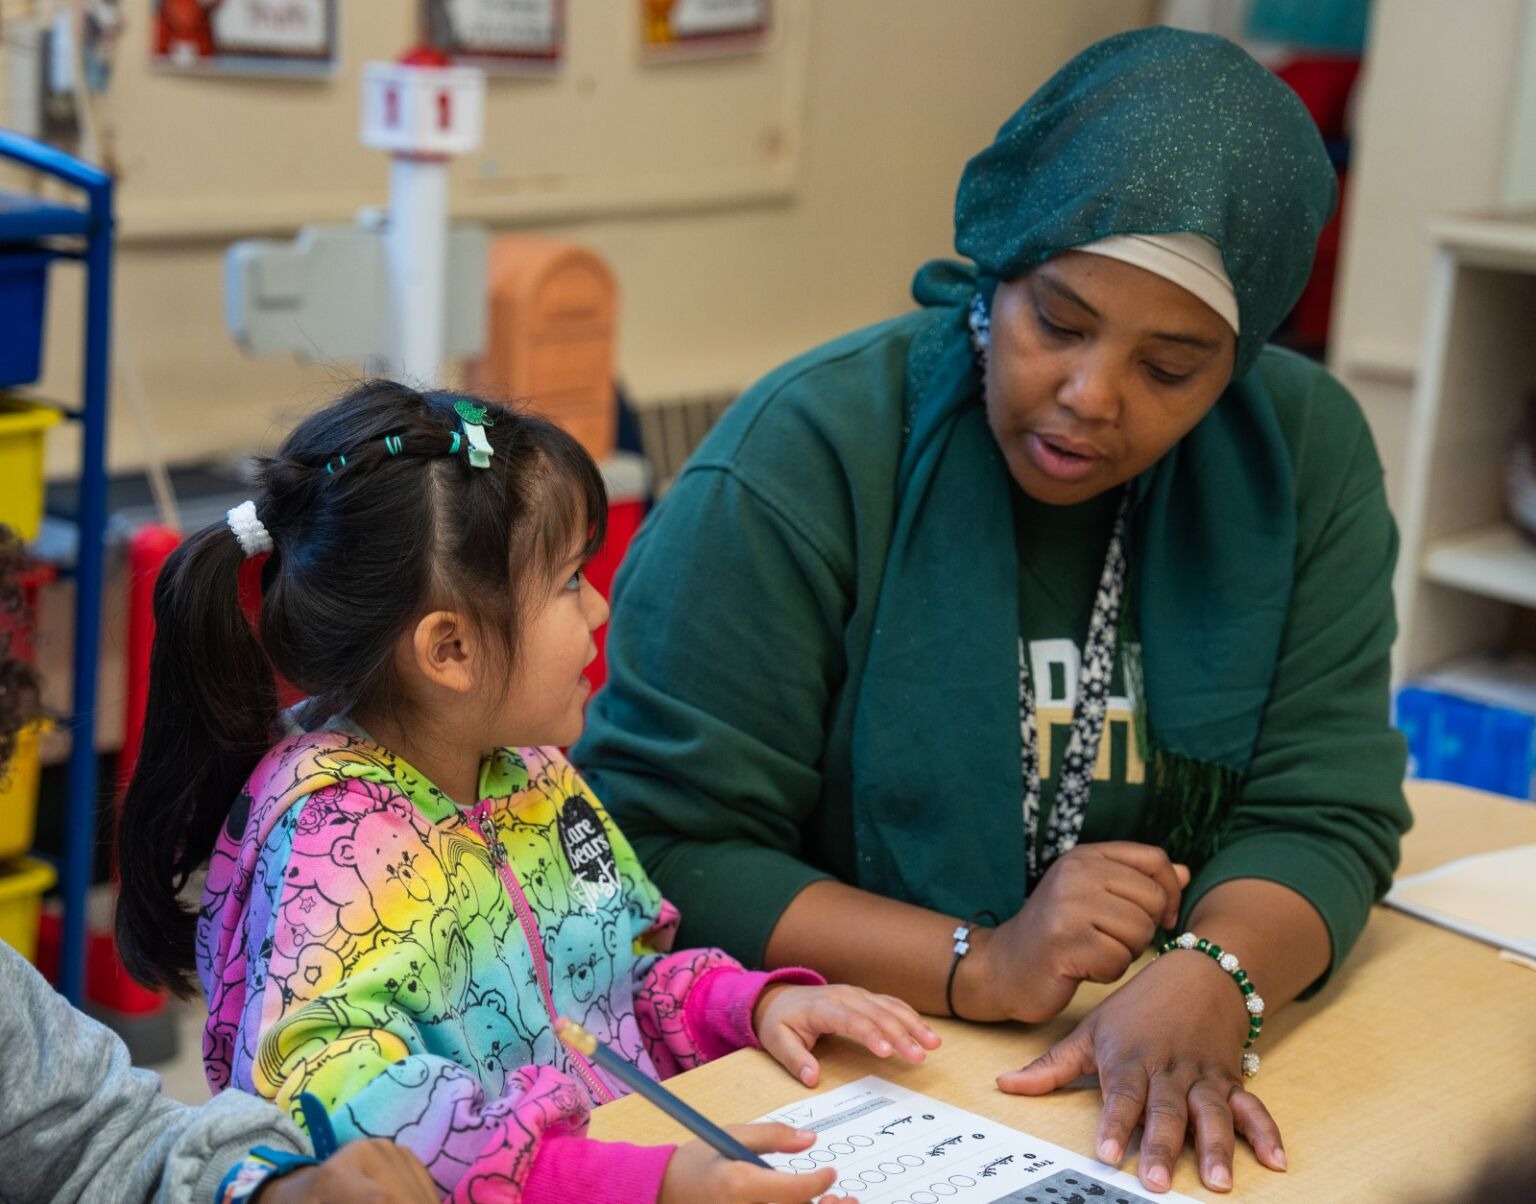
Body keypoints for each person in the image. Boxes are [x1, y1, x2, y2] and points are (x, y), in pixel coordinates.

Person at [573, 25, 1412, 1197]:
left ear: (1239, 364)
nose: (1090, 394)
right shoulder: (803, 459)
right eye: (1057, 322)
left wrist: (1216, 975)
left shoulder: (1301, 453)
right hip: (843, 1067)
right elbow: (654, 848)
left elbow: (1323, 806)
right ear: (997, 270)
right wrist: (981, 960)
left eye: (1171, 369)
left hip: (1128, 1043)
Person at [113, 381, 941, 1204]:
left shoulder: (531, 771)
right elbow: (361, 1133)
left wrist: (749, 1007)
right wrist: (629, 1182)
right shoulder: (332, 844)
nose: (601, 607)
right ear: (449, 650)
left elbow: (620, 981)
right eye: (573, 580)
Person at [0, 523, 437, 1204]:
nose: (593, 609)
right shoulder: (322, 821)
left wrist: (274, 1191)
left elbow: (100, 1140)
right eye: (565, 583)